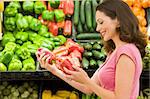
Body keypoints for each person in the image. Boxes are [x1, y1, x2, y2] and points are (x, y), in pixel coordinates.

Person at [36, 0, 147, 99]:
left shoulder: (126, 53)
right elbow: (87, 89)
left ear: (118, 21)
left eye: (101, 22)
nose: (97, 28)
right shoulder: (114, 52)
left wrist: (87, 81)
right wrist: (55, 70)